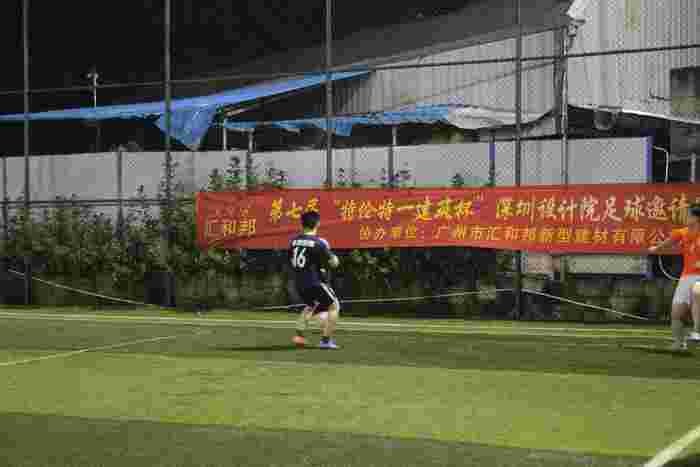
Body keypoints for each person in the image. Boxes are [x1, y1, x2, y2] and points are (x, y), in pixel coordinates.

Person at [649, 203, 700, 351]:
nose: (684, 217)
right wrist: (655, 249)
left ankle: (697, 332)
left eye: (687, 215)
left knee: (697, 292)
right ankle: (679, 343)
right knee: (676, 312)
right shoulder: (681, 232)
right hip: (686, 277)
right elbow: (666, 244)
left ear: (696, 218)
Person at [289, 210, 341, 349]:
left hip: (299, 283)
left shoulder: (293, 241)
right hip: (315, 282)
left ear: (302, 224)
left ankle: (299, 335)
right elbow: (334, 263)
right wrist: (334, 258)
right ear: (317, 223)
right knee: (334, 306)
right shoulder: (318, 243)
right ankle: (325, 341)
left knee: (311, 306)